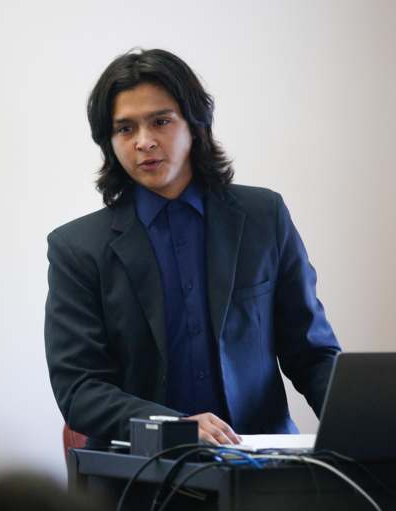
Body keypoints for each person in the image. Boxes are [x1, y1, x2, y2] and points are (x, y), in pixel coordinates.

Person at [45, 48, 340, 448]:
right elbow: (80, 390)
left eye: (160, 122)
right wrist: (174, 427)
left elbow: (312, 353)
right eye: (125, 129)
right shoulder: (76, 248)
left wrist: (366, 429)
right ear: (109, 141)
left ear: (195, 124)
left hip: (259, 470)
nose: (144, 142)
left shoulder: (263, 217)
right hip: (139, 479)